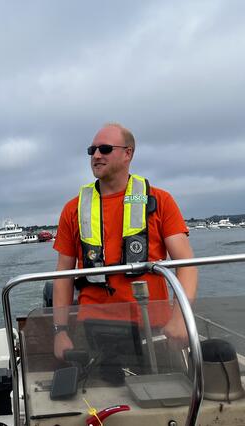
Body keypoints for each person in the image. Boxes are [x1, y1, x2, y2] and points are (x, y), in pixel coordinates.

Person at [52, 123, 198, 360]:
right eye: (92, 150)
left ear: (128, 153)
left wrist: (181, 318)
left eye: (105, 149)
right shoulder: (73, 209)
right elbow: (62, 275)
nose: (96, 155)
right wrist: (60, 331)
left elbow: (186, 264)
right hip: (94, 330)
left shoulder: (159, 200)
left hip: (153, 328)